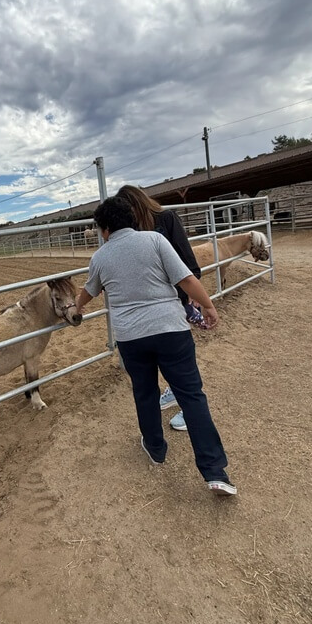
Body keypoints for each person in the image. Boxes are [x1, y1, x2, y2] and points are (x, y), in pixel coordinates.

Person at [75, 196, 236, 496]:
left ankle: (155, 448)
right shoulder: (156, 241)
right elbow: (186, 279)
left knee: (144, 392)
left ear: (105, 229)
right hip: (170, 329)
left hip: (131, 337)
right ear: (132, 219)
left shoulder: (100, 257)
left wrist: (77, 306)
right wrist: (208, 307)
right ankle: (215, 471)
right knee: (191, 395)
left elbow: (89, 291)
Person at [116, 184, 204, 432]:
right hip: (149, 305)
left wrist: (188, 296)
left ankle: (188, 407)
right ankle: (176, 393)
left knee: (181, 359)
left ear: (136, 205)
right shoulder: (130, 230)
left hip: (172, 299)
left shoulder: (166, 219)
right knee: (167, 357)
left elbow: (188, 263)